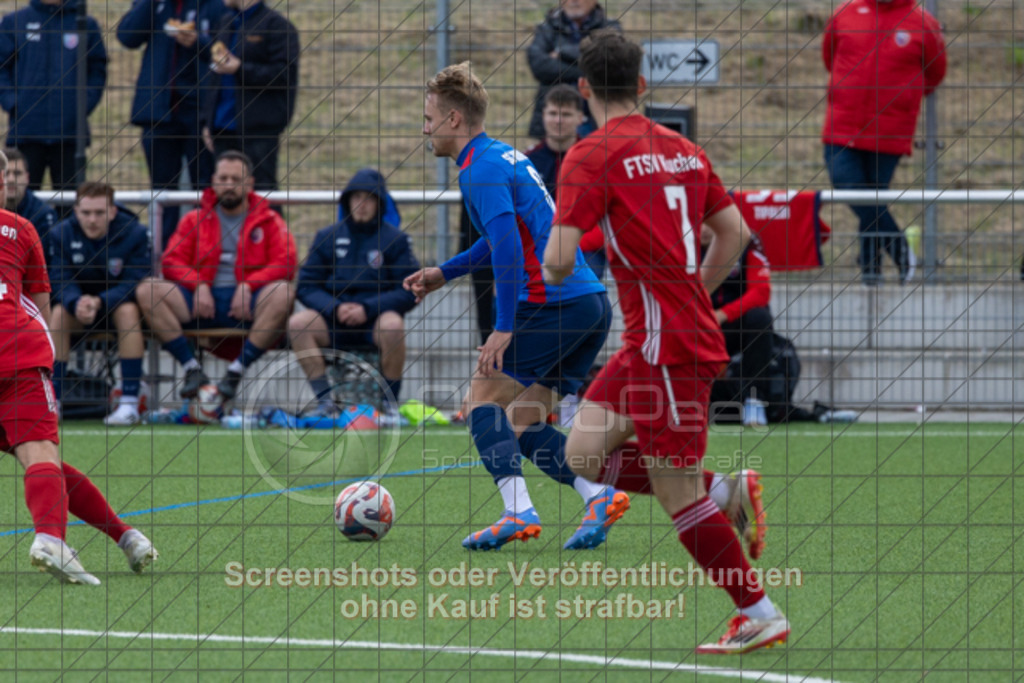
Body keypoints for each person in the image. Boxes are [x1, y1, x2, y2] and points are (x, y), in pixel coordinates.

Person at [543, 30, 788, 653]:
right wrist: (695, 291)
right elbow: (730, 233)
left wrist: (553, 234)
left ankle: (760, 611)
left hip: (668, 350)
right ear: (643, 85)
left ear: (584, 88)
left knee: (673, 493)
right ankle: (721, 490)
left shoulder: (589, 155)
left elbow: (557, 262)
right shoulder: (681, 147)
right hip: (649, 343)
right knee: (581, 455)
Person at [407, 61, 627, 551]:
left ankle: (516, 512)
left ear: (454, 120)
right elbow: (502, 238)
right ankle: (598, 496)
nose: (424, 127)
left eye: (428, 117)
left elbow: (508, 249)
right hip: (589, 302)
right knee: (525, 421)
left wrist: (503, 327)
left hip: (550, 303)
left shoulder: (478, 170)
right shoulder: (499, 157)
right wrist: (446, 271)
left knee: (482, 402)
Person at [0, 150, 156, 586]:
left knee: (37, 458)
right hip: (15, 355)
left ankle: (125, 535)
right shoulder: (21, 227)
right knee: (40, 455)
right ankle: (51, 539)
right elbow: (41, 303)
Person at [136, 150, 296, 402]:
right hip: (200, 301)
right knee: (148, 290)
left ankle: (235, 373)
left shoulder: (269, 220)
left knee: (283, 292)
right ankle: (192, 369)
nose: (229, 185)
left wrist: (248, 285)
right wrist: (198, 284)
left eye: (236, 179)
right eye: (223, 179)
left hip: (249, 302)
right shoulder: (194, 219)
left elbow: (286, 263)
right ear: (213, 181)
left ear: (250, 183)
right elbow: (170, 261)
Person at [822, 0, 946, 285]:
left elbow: (935, 72)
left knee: (873, 198)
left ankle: (870, 274)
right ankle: (900, 250)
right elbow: (830, 57)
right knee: (852, 189)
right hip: (842, 127)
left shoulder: (922, 22)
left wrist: (902, 99)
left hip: (889, 131)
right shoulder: (845, 13)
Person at [289, 169, 419, 424]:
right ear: (347, 201)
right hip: (333, 320)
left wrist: (368, 308)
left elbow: (408, 289)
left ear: (379, 203)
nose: (361, 204)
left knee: (393, 325)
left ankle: (389, 405)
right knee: (298, 324)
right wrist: (335, 308)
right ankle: (326, 403)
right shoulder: (326, 237)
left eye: (369, 198)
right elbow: (305, 286)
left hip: (375, 321)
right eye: (356, 197)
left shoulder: (396, 240)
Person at [116, 0, 223, 247]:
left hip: (200, 113)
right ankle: (163, 257)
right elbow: (127, 36)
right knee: (162, 191)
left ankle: (206, 253)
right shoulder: (154, 5)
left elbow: (226, 50)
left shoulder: (214, 6)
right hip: (158, 114)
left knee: (205, 189)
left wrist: (198, 42)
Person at [48, 182, 151, 426]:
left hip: (117, 306)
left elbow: (134, 281)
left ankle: (128, 404)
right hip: (77, 309)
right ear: (75, 211)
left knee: (128, 311)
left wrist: (101, 301)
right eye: (86, 213)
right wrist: (76, 302)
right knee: (58, 313)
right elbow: (58, 277)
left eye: (99, 213)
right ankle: (53, 403)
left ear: (113, 211)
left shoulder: (134, 233)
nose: (92, 219)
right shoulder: (59, 233)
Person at [0, 0, 107, 191]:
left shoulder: (84, 24)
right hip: (26, 133)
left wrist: (82, 105)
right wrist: (14, 103)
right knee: (23, 202)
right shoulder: (14, 22)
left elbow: (97, 70)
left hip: (70, 133)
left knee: (69, 203)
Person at [202, 0, 299, 192]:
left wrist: (240, 68)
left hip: (258, 131)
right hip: (222, 128)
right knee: (225, 195)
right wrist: (207, 121)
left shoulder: (277, 26)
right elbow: (214, 79)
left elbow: (284, 75)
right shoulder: (226, 22)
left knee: (261, 193)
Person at [525, 84, 605, 280]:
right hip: (538, 247)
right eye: (552, 113)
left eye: (566, 115)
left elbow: (605, 216)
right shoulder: (528, 161)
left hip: (585, 248)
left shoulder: (595, 159)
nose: (558, 121)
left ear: (580, 117)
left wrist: (570, 245)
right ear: (543, 115)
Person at [703, 231, 775, 427]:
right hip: (697, 323)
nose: (704, 228)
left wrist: (722, 314)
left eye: (710, 220)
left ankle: (755, 401)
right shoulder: (680, 243)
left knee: (760, 318)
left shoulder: (747, 242)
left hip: (732, 323)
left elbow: (760, 292)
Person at [526, 0, 620, 140]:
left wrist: (561, 53)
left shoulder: (610, 27)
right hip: (556, 122)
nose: (573, 1)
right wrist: (587, 69)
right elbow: (539, 67)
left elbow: (609, 65)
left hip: (596, 120)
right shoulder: (546, 28)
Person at [3, 148, 59, 249]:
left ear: (27, 178)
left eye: (17, 173)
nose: (11, 179)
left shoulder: (44, 215)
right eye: (5, 174)